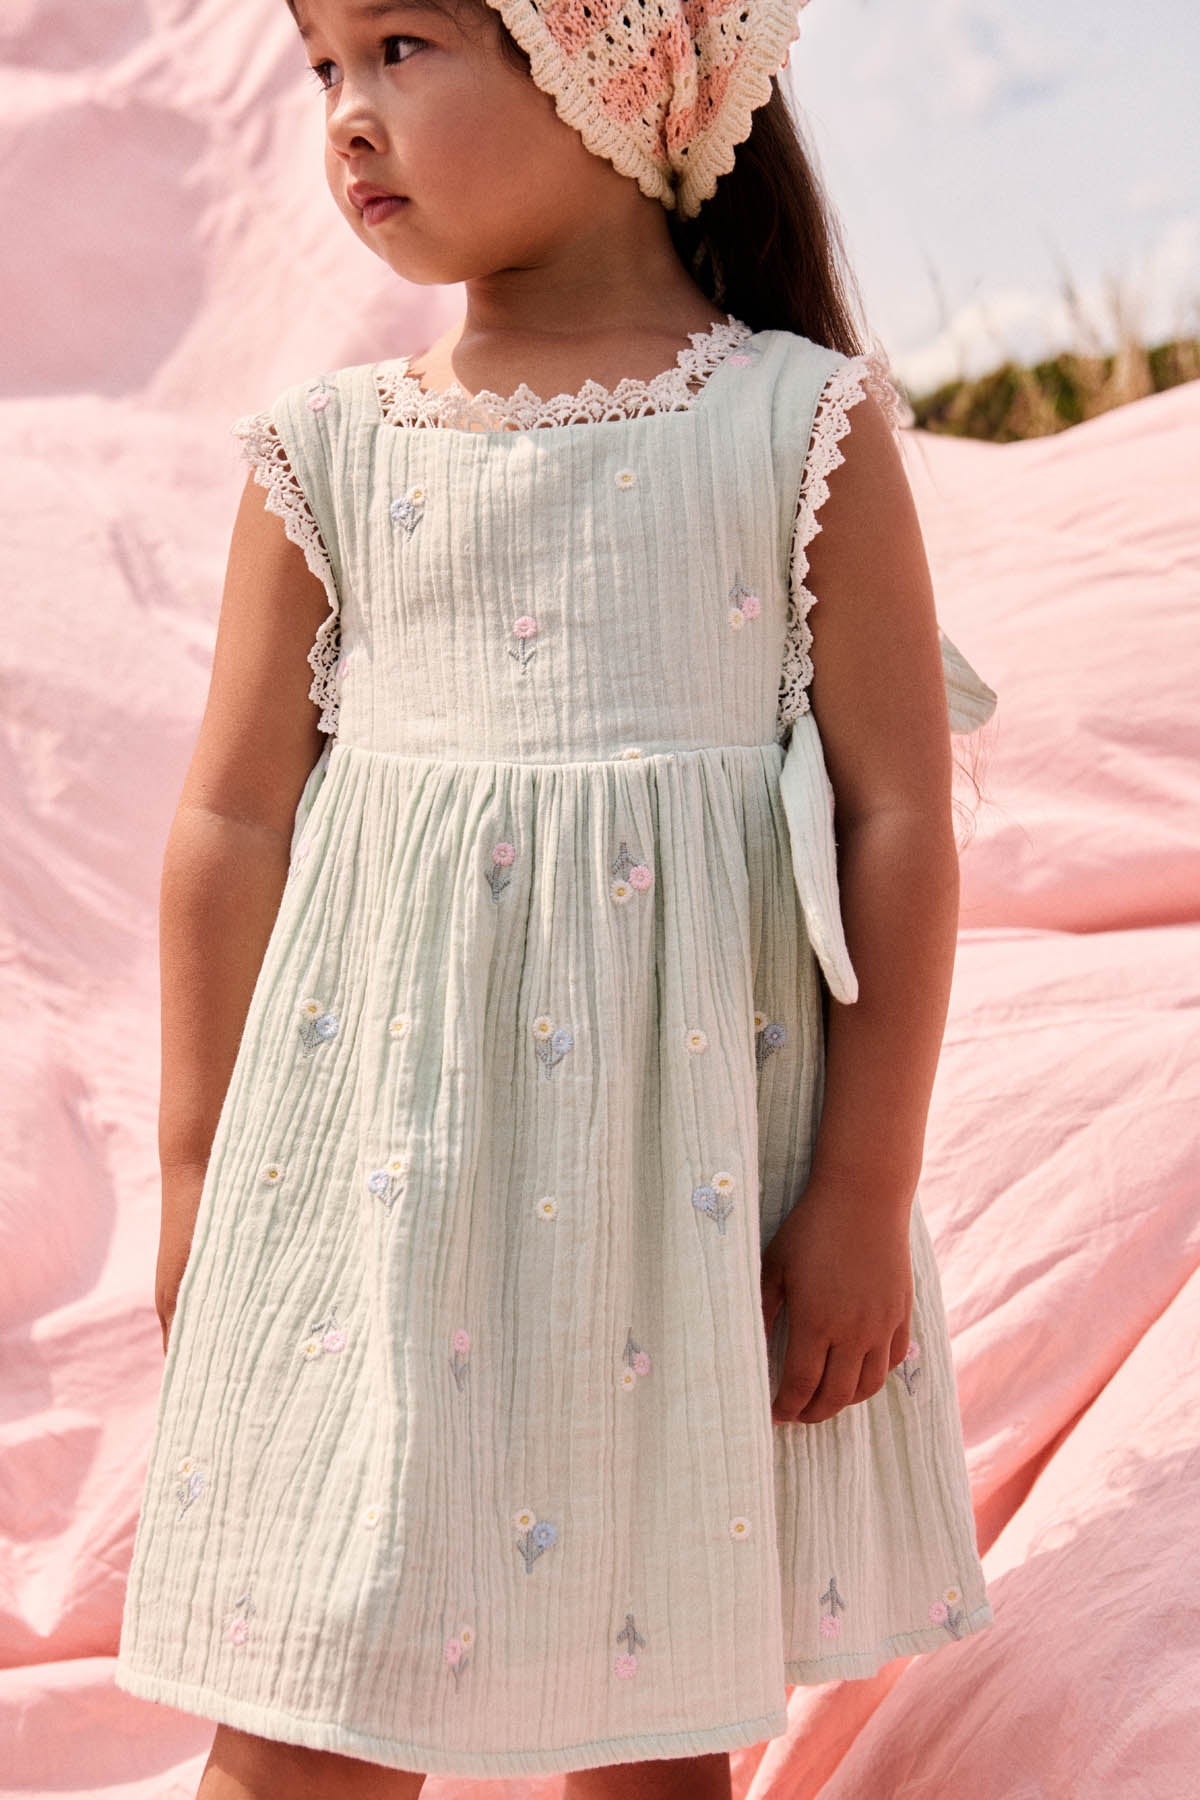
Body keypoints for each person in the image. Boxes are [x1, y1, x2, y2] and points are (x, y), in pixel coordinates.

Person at [112, 0, 1001, 1793]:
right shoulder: (334, 452)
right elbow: (231, 822)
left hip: (678, 1212)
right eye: (322, 66)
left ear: (610, 64)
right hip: (375, 1189)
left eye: (403, 45)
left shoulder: (794, 425)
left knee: (654, 1711)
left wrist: (864, 1189)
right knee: (305, 1709)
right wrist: (198, 1162)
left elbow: (897, 820)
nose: (346, 113)